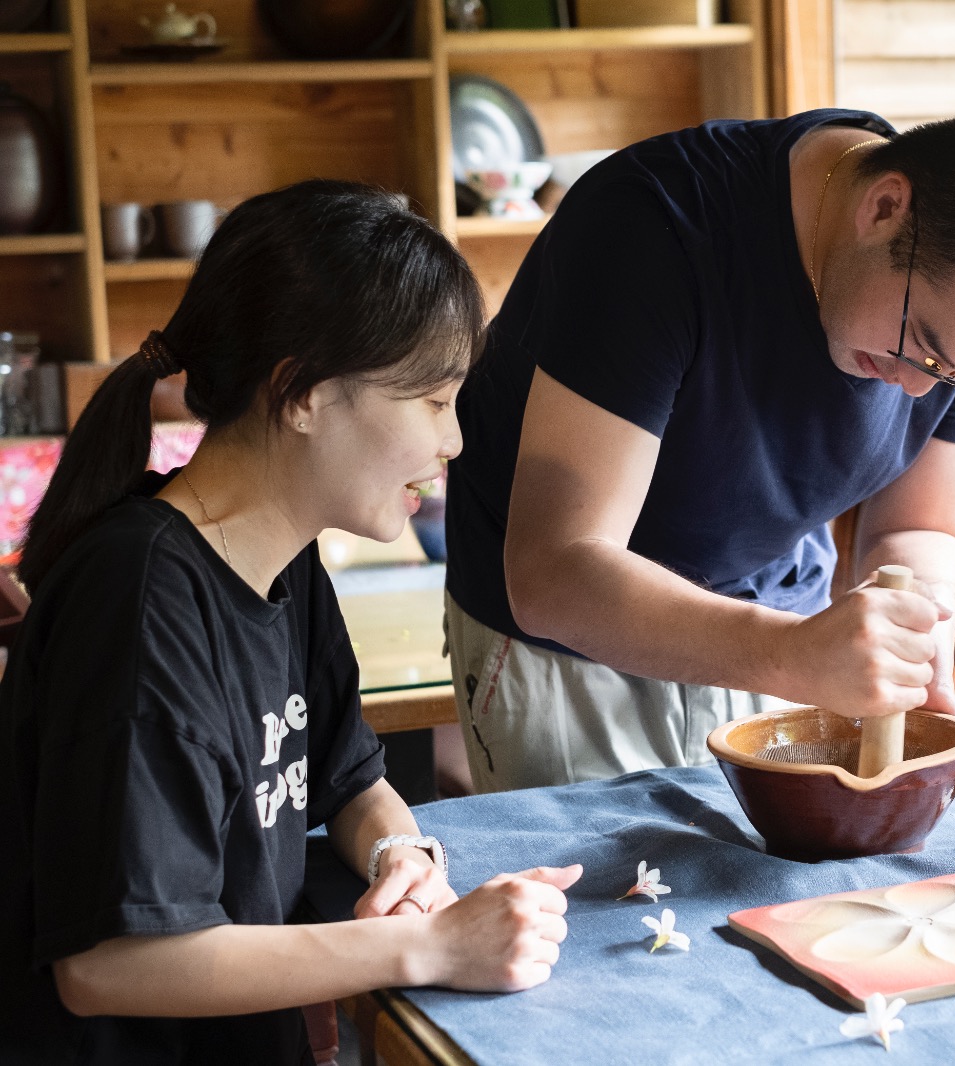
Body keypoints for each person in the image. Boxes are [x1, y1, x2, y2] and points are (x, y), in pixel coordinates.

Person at [0, 181, 581, 1066]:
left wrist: (401, 853)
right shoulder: (140, 597)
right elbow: (110, 965)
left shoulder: (283, 558)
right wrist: (427, 945)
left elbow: (349, 781)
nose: (453, 441)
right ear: (303, 393)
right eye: (432, 401)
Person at [444, 105, 955, 789]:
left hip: (782, 624)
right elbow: (555, 572)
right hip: (568, 653)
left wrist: (909, 636)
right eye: (921, 344)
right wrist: (788, 654)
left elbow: (919, 526)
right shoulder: (653, 226)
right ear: (885, 207)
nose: (921, 392)